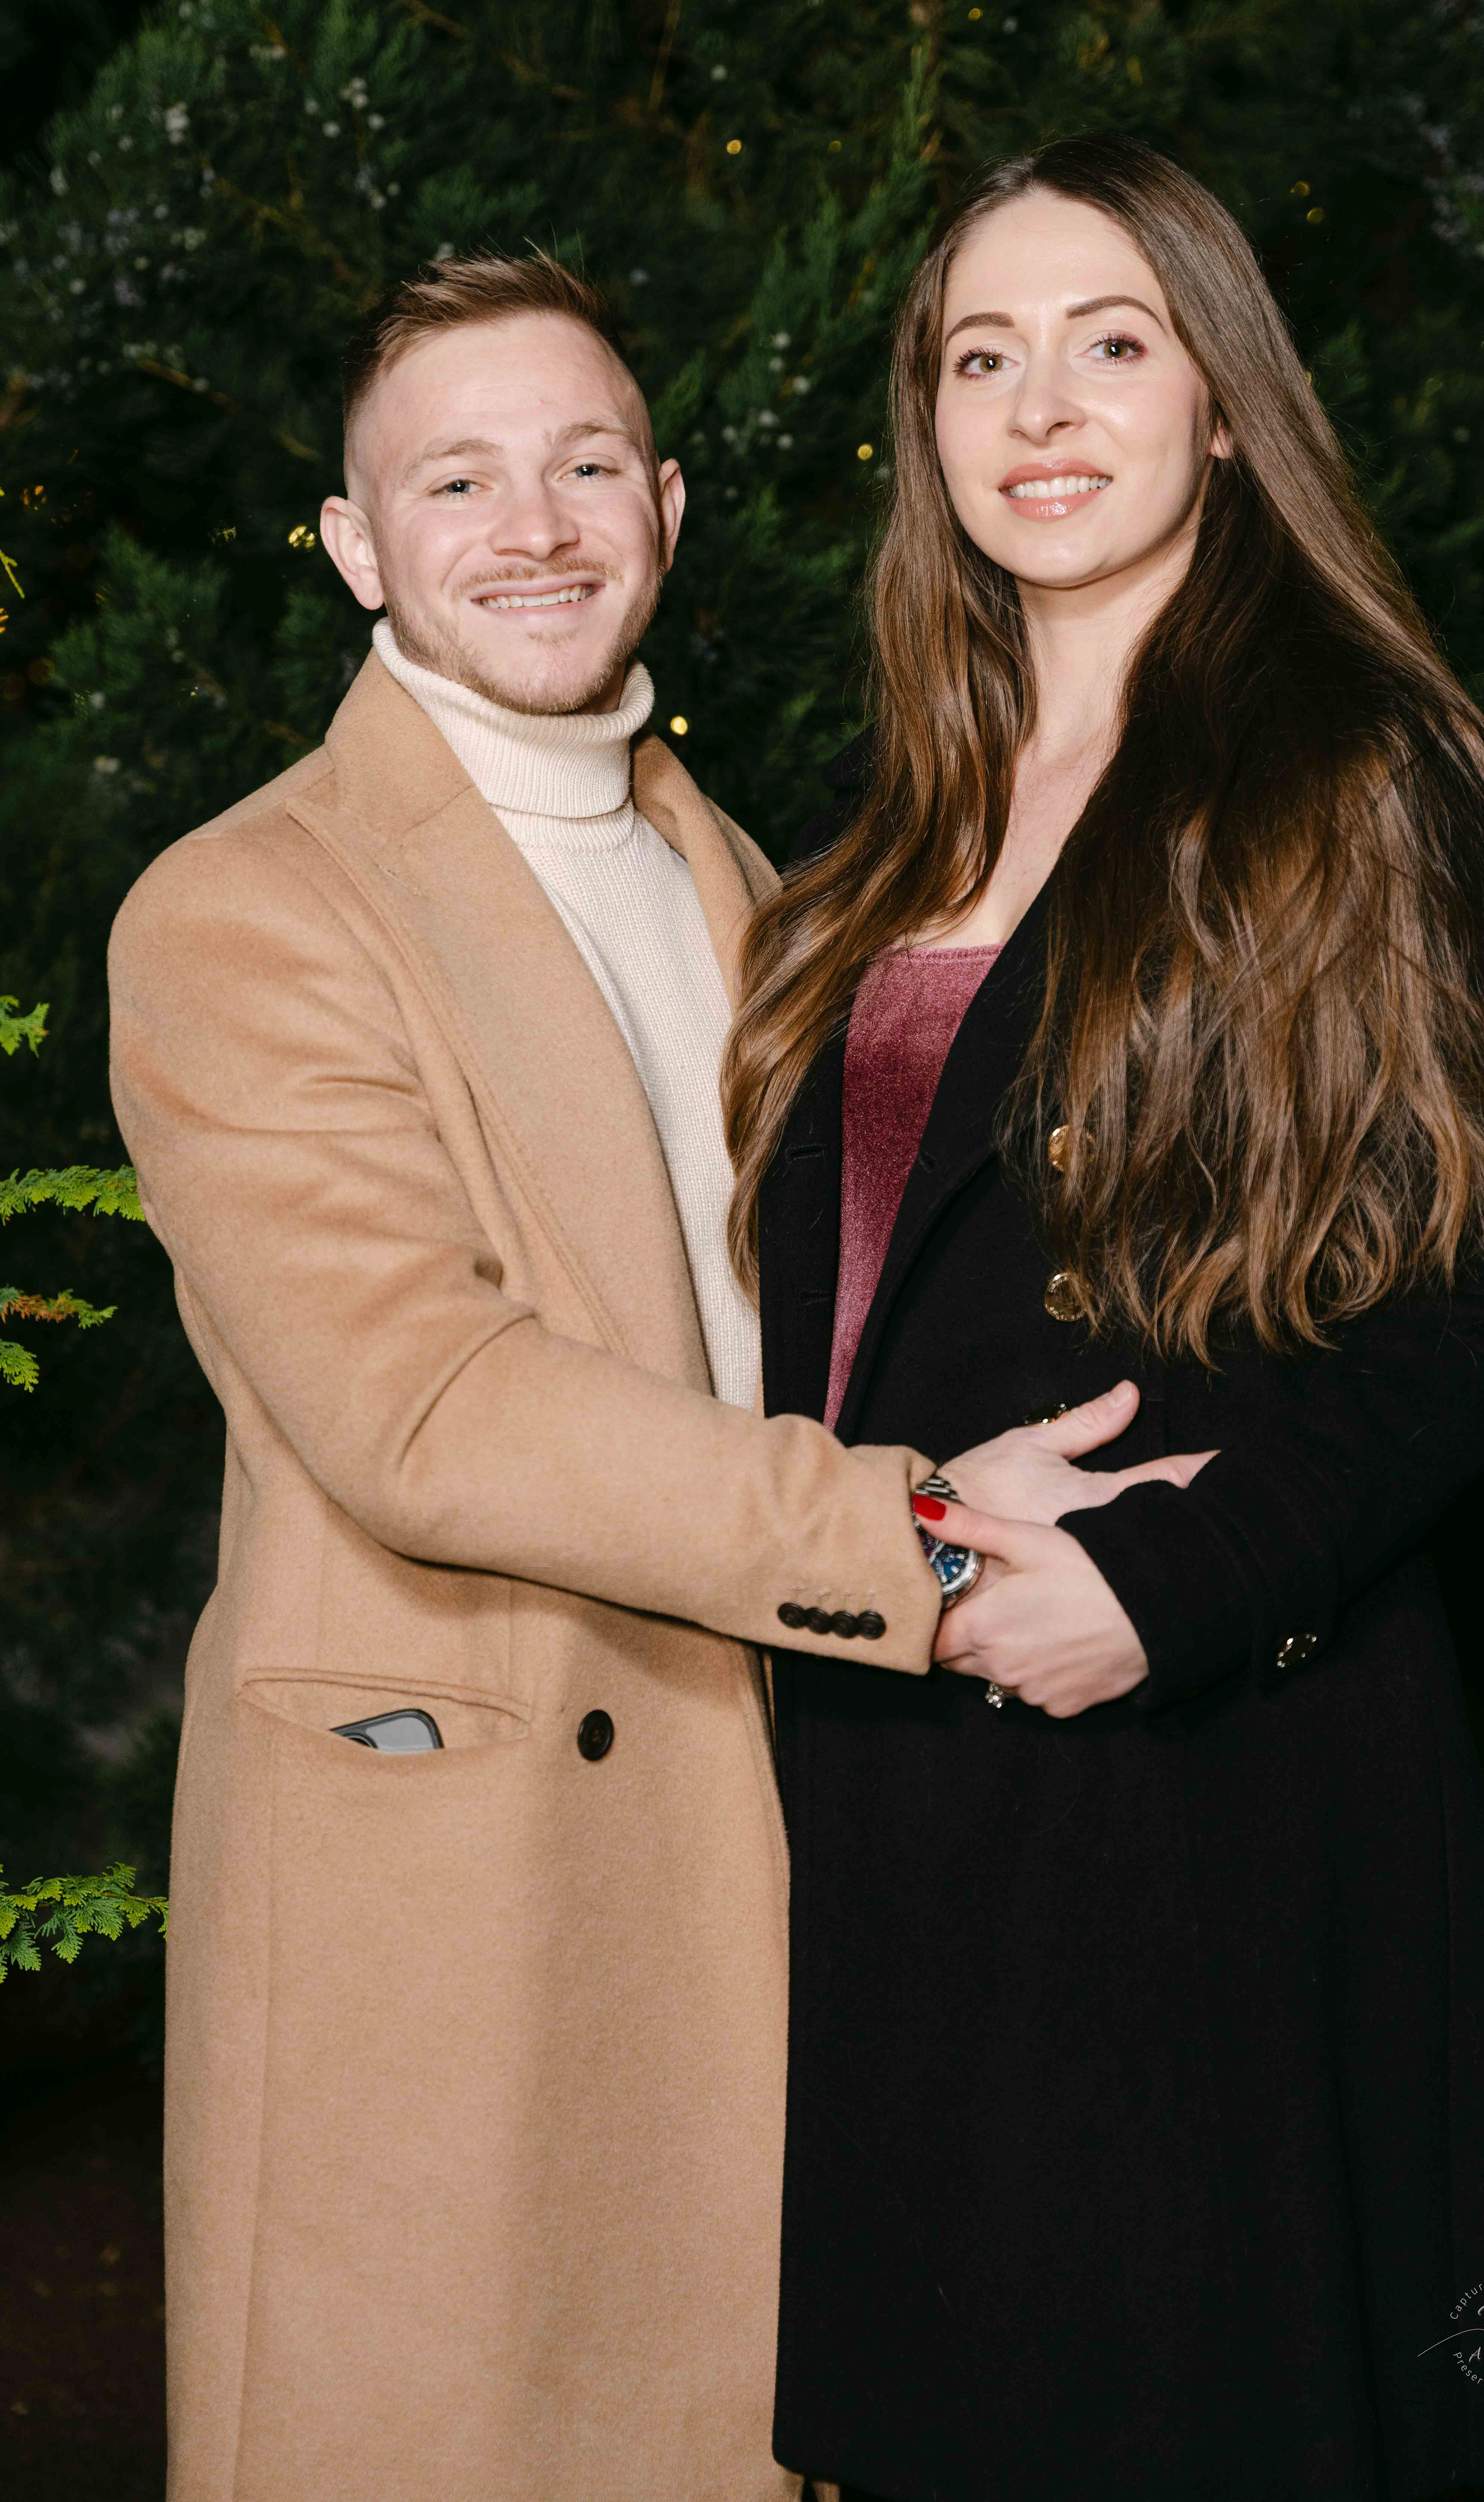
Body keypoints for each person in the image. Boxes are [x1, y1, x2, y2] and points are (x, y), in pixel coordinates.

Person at [105, 251, 1170, 2502]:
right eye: (456, 482)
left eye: (587, 465)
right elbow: (425, 1410)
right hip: (461, 1867)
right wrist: (921, 1537)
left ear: (665, 509)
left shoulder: (747, 879)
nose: (534, 527)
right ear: (355, 545)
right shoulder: (246, 907)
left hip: (765, 1808)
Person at [723, 136, 1484, 2502]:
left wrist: (1173, 1582)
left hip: (1204, 1791)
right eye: (980, 357)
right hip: (895, 1784)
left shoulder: (1352, 773)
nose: (1040, 407)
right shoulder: (877, 826)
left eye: (1111, 342)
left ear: (1222, 402)